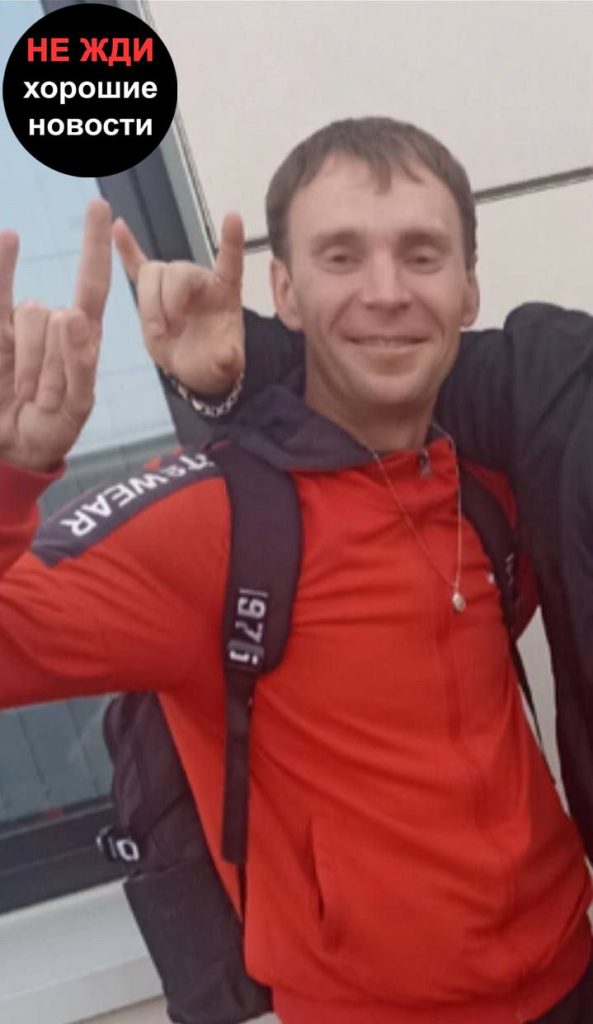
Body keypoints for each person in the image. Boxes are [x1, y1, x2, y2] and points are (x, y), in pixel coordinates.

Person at [1, 118, 592, 1023]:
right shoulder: (210, 524)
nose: (386, 292)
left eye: (422, 256)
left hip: (569, 975)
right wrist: (13, 472)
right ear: (283, 290)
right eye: (341, 257)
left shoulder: (495, 483)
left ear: (468, 289)